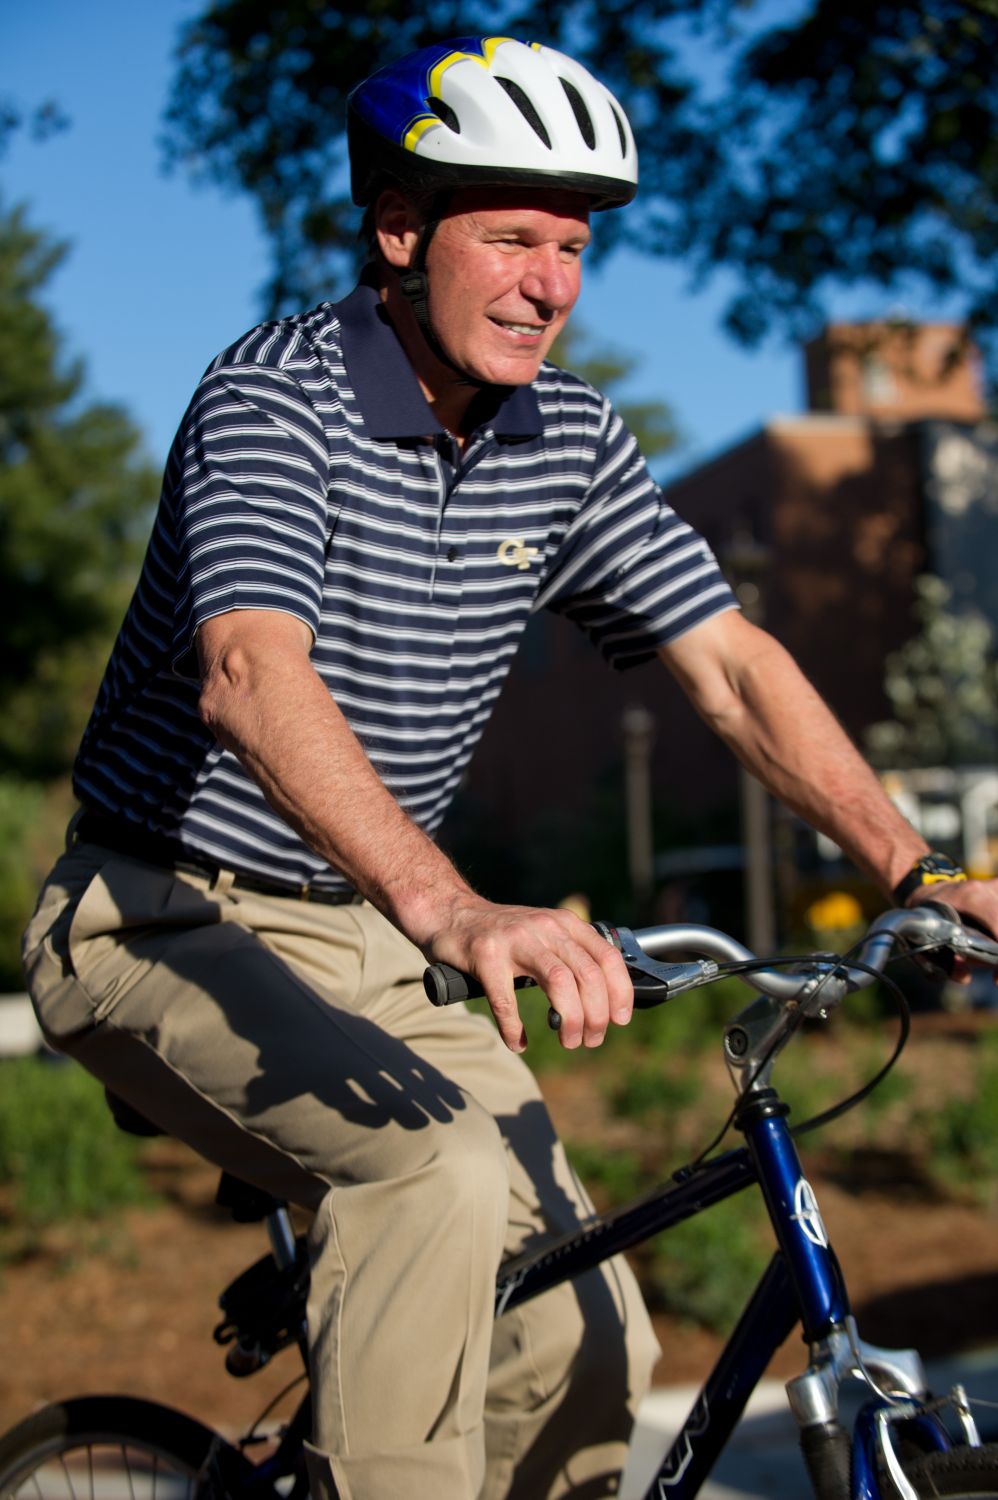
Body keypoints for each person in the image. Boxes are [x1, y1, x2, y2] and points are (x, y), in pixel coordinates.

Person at [21, 33, 998, 1500]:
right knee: (432, 1178)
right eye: (510, 240)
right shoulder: (272, 401)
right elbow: (249, 672)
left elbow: (727, 666)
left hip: (369, 936)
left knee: (579, 1331)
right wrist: (455, 906)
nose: (548, 281)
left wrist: (912, 869)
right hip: (161, 911)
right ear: (401, 232)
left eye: (572, 245)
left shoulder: (571, 439)